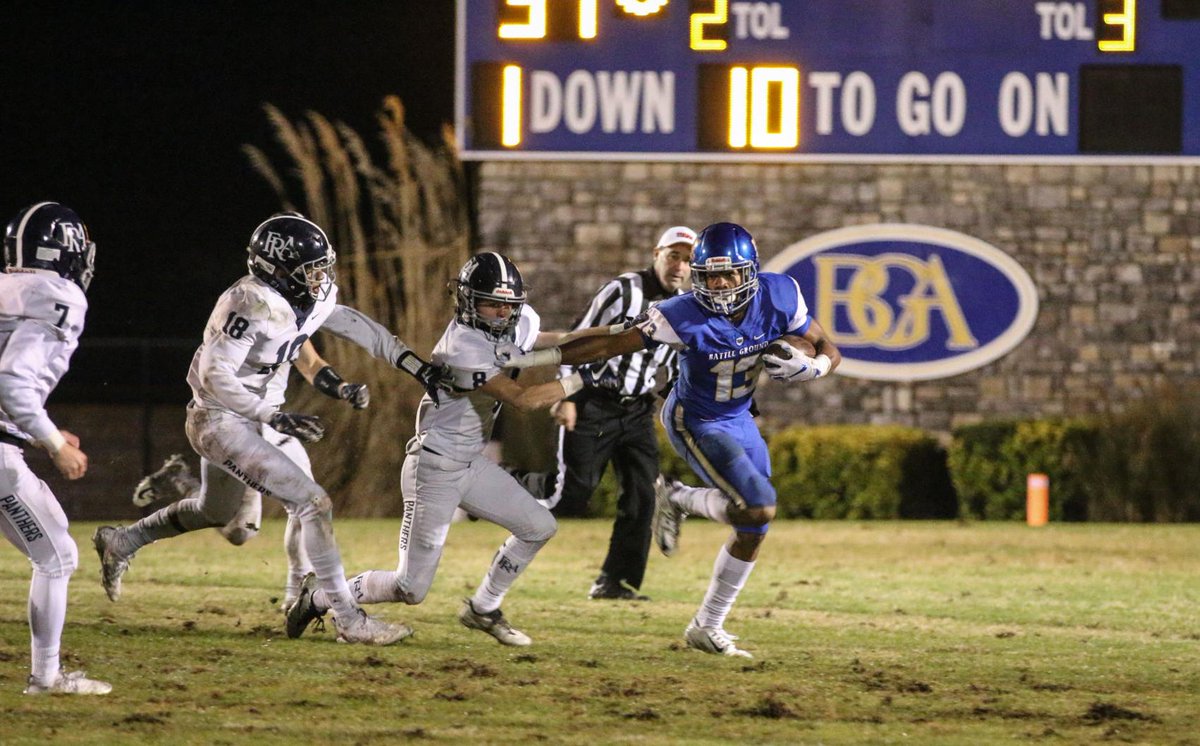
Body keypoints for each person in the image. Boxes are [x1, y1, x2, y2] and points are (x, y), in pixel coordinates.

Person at [92, 212, 448, 645]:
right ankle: (348, 619)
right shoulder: (249, 302)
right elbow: (214, 373)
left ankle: (121, 542)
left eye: (322, 269)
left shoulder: (308, 298)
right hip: (219, 419)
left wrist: (409, 362)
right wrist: (270, 414)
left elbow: (350, 322)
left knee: (219, 515)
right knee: (313, 503)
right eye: (311, 271)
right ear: (277, 269)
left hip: (252, 416)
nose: (321, 279)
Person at [504, 222, 841, 658]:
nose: (718, 286)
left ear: (751, 271)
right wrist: (542, 356)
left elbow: (828, 348)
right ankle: (680, 500)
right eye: (709, 276)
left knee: (753, 523)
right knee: (759, 504)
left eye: (728, 275)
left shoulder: (780, 295)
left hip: (740, 418)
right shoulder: (680, 312)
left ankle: (706, 622)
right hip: (696, 419)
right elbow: (610, 344)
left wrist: (812, 366)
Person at [286, 252, 603, 646]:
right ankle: (318, 596)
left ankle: (483, 608)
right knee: (410, 588)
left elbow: (545, 342)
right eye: (491, 304)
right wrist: (583, 381)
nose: (502, 315)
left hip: (469, 462)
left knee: (539, 527)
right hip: (433, 468)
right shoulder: (461, 346)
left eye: (509, 306)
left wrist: (608, 338)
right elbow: (523, 399)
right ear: (468, 301)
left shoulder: (516, 322)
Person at [520, 226, 696, 601]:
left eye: (688, 259)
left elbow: (673, 365)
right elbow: (576, 338)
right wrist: (567, 394)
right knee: (572, 495)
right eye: (674, 256)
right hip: (594, 400)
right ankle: (508, 483)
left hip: (636, 410)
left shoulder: (685, 307)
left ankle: (615, 582)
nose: (680, 266)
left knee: (642, 497)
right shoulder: (624, 290)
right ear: (656, 253)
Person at [131, 339, 368, 610]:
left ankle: (179, 478)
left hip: (268, 425)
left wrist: (342, 387)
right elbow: (210, 372)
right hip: (232, 429)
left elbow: (310, 362)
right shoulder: (244, 318)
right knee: (305, 501)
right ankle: (297, 591)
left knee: (240, 532)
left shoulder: (290, 317)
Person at [0, 201, 110, 694]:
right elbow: (11, 382)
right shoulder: (57, 294)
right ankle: (45, 678)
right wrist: (50, 442)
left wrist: (39, 429)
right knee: (58, 556)